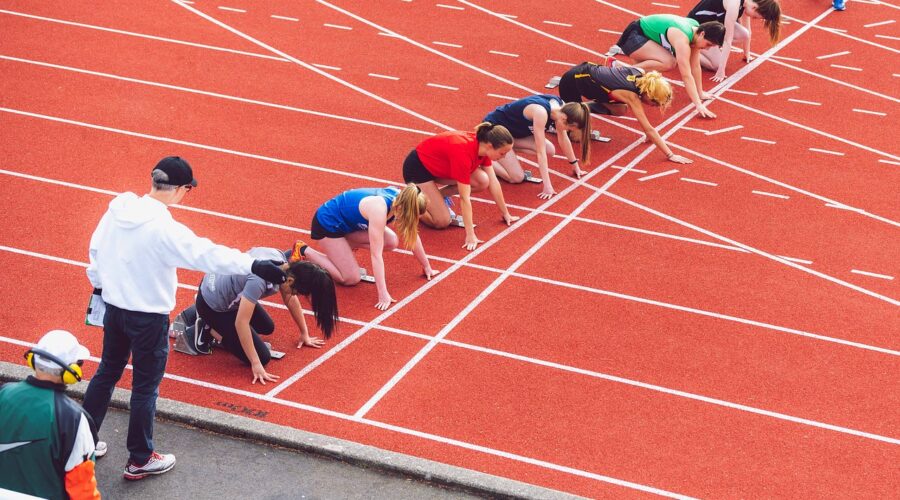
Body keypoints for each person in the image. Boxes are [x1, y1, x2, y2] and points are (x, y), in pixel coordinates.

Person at [82, 156, 288, 481]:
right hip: (148, 318)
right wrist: (253, 266)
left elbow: (95, 252)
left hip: (114, 309)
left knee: (106, 373)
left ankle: (83, 445)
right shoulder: (165, 229)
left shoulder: (116, 209)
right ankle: (139, 458)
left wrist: (105, 286)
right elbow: (206, 253)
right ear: (180, 189)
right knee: (145, 387)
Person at [181, 248, 339, 384]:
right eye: (296, 291)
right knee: (263, 357)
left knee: (266, 327)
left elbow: (291, 300)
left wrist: (304, 333)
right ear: (290, 280)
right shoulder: (258, 281)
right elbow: (241, 322)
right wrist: (255, 363)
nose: (294, 295)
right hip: (214, 306)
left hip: (219, 287)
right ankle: (207, 326)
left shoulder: (280, 262)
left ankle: (198, 312)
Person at [298, 184, 439, 310]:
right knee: (350, 278)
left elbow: (412, 234)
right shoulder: (379, 210)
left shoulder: (402, 198)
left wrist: (426, 266)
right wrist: (383, 293)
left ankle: (341, 250)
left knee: (391, 241)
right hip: (327, 225)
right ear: (403, 208)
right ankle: (304, 250)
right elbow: (376, 255)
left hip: (347, 225)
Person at [0, 330, 101, 499]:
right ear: (71, 371)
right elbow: (82, 489)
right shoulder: (74, 419)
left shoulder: (3, 393)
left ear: (33, 360)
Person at [402, 124, 520, 251]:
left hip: (440, 167)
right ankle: (407, 202)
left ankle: (436, 197)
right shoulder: (463, 152)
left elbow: (493, 181)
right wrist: (470, 235)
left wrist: (506, 214)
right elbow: (464, 198)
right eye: (502, 153)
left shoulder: (484, 147)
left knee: (483, 181)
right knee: (442, 221)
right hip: (418, 170)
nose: (504, 157)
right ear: (490, 146)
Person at [558, 58, 692, 164]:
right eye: (654, 103)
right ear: (648, 94)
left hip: (587, 75)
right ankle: (564, 111)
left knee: (621, 109)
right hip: (571, 83)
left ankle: (582, 108)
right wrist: (670, 154)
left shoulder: (640, 74)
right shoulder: (631, 96)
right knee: (577, 138)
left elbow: (618, 72)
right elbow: (649, 129)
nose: (654, 107)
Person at [610, 14, 725, 118]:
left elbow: (695, 67)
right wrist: (698, 105)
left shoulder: (696, 31)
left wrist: (700, 93)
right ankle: (619, 71)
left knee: (640, 80)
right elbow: (686, 74)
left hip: (646, 36)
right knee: (669, 62)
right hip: (633, 36)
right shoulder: (682, 38)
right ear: (702, 34)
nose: (707, 48)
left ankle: (620, 69)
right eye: (708, 44)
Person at [483, 95, 592, 199]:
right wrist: (547, 186)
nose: (567, 131)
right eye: (569, 128)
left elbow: (563, 139)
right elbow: (541, 153)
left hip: (511, 134)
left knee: (550, 150)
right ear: (564, 118)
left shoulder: (562, 108)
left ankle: (505, 152)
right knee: (516, 177)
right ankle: (483, 159)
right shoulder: (541, 113)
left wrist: (575, 166)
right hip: (493, 131)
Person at [687, 0, 782, 81]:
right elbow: (727, 39)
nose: (754, 18)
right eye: (755, 17)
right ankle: (688, 48)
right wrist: (721, 70)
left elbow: (747, 29)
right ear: (754, 7)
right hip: (696, 27)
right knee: (715, 64)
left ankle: (709, 47)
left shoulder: (747, 3)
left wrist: (746, 54)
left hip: (712, 26)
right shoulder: (734, 5)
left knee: (744, 34)